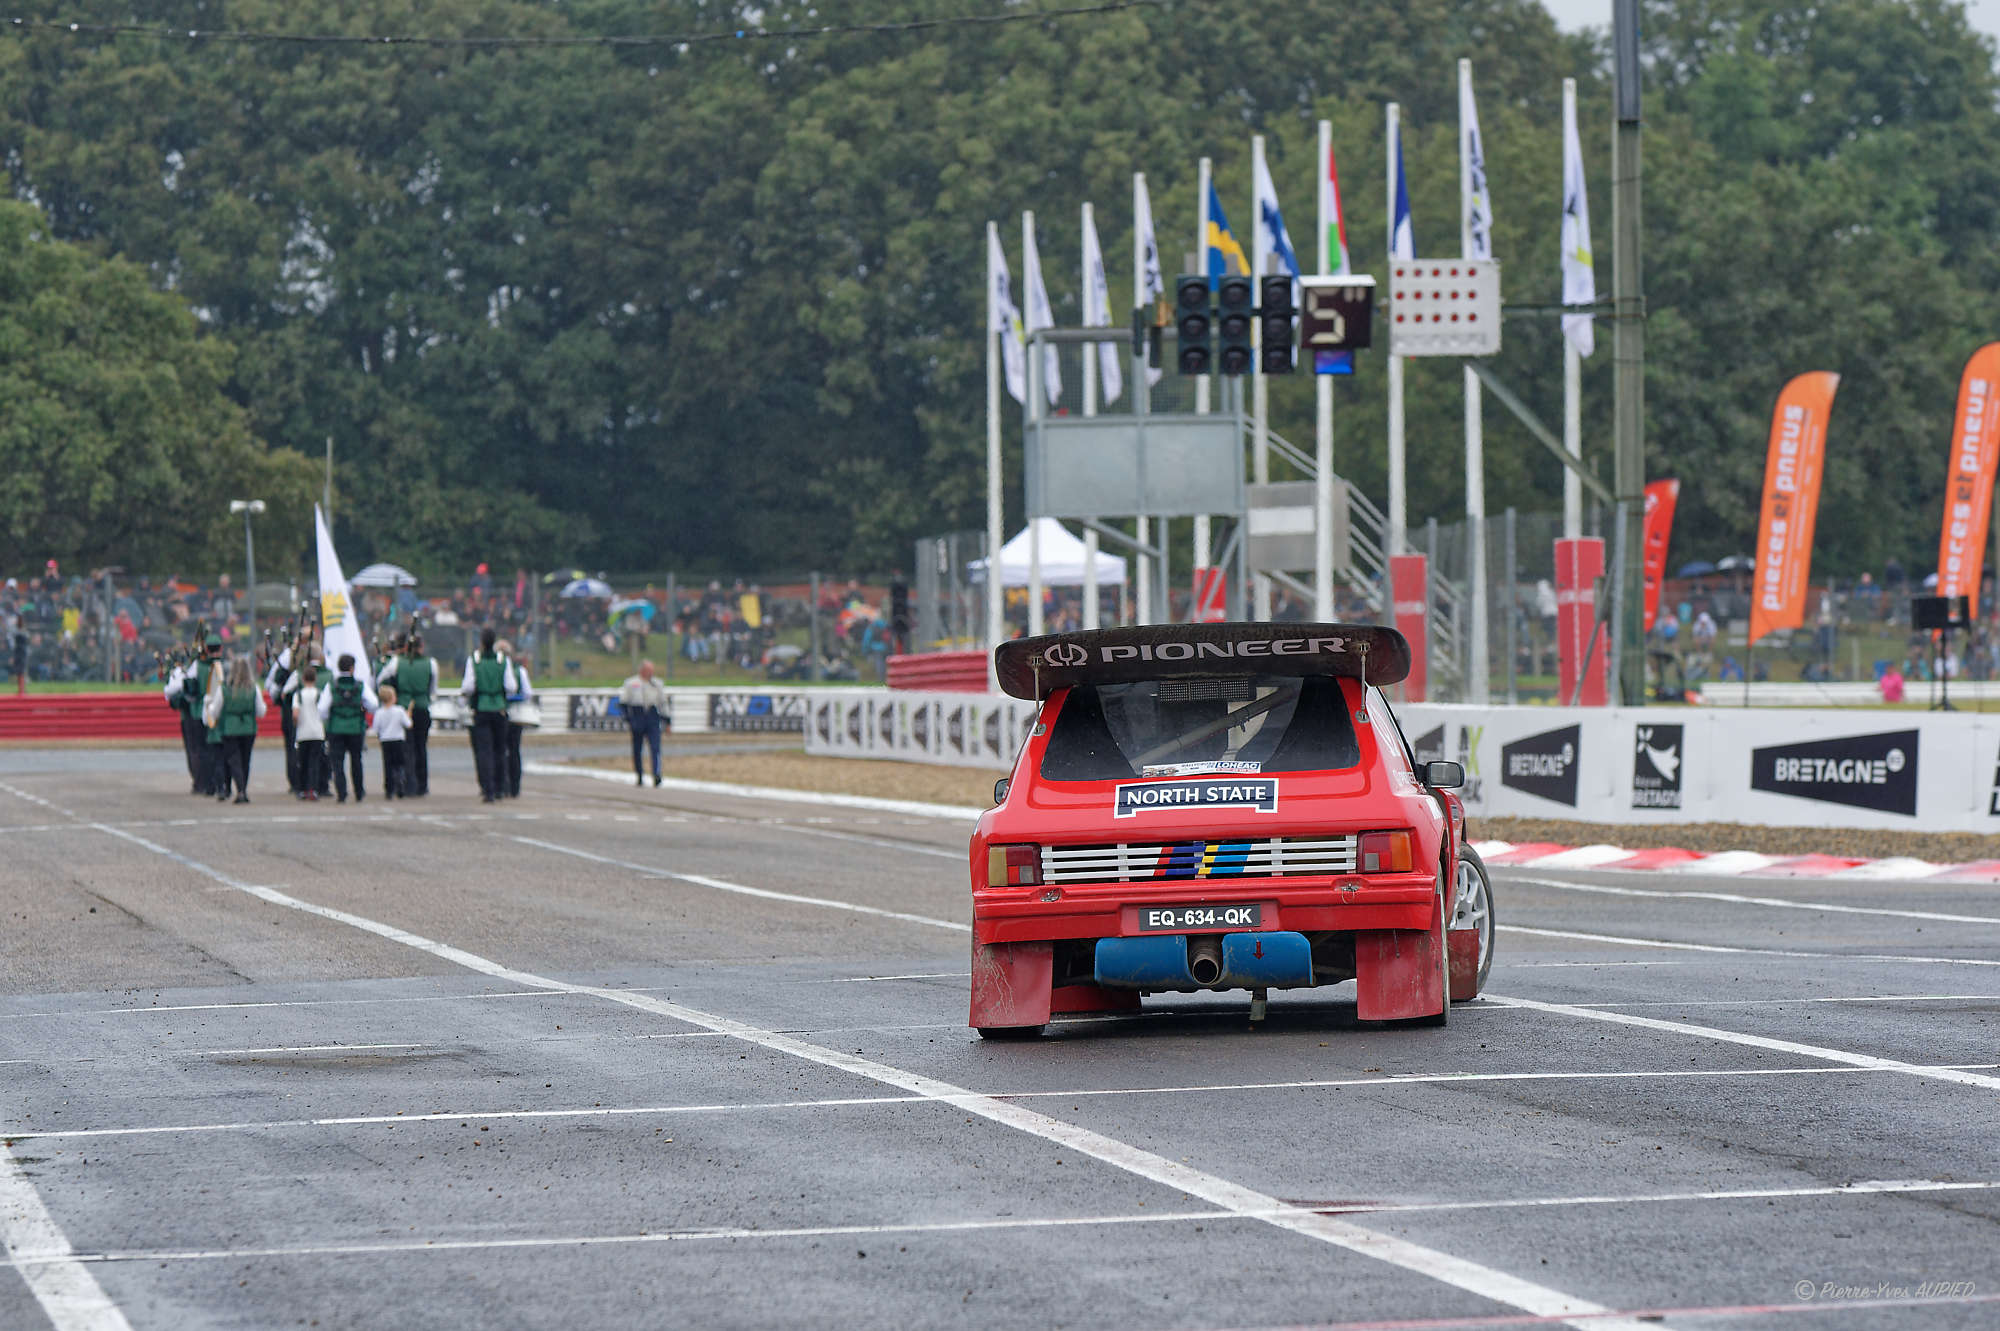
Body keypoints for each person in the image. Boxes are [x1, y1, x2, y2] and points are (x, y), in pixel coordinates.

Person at [380, 632, 439, 797]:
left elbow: (381, 680)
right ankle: (422, 784)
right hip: (422, 707)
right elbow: (433, 689)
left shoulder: (396, 662)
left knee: (407, 749)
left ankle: (409, 784)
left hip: (404, 708)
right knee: (421, 748)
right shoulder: (431, 663)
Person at [318, 652, 378, 803]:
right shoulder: (360, 685)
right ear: (352, 668)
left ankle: (342, 793)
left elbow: (322, 709)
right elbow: (374, 704)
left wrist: (331, 718)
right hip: (355, 728)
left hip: (336, 729)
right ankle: (359, 792)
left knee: (337, 763)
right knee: (356, 761)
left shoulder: (332, 685)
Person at [459, 628, 510, 803]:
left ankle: (487, 789)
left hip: (481, 708)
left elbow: (467, 687)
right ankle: (500, 788)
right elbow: (511, 686)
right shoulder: (503, 660)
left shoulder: (474, 660)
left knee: (484, 751)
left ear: (481, 642)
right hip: (499, 708)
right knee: (499, 750)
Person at [212, 657, 267, 803]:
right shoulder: (254, 688)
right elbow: (261, 711)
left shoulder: (225, 688)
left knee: (234, 759)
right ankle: (243, 789)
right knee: (245, 760)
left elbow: (215, 710)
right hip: (249, 727)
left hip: (230, 727)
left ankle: (240, 790)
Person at [619, 659, 668, 786]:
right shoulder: (631, 683)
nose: (650, 673)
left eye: (652, 670)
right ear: (642, 670)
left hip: (652, 716)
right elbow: (623, 703)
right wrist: (629, 719)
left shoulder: (657, 683)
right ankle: (639, 774)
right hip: (637, 716)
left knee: (655, 747)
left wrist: (667, 721)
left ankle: (657, 774)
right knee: (637, 749)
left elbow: (663, 703)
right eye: (648, 670)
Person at [498, 640, 533, 799]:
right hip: (515, 715)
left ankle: (505, 785)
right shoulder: (520, 672)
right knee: (513, 750)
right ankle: (514, 787)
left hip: (503, 713)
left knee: (503, 750)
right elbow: (528, 694)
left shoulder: (509, 670)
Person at [292, 663, 325, 801]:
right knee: (314, 762)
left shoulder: (298, 695)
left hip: (303, 733)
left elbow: (295, 714)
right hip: (317, 732)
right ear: (315, 679)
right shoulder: (319, 694)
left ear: (303, 679)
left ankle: (302, 789)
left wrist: (296, 724)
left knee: (302, 763)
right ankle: (314, 789)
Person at [372, 684, 412, 799]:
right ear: (392, 697)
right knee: (399, 764)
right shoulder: (399, 711)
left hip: (385, 740)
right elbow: (408, 724)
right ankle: (401, 785)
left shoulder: (379, 712)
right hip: (398, 740)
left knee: (388, 765)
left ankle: (389, 790)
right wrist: (409, 716)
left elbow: (376, 728)